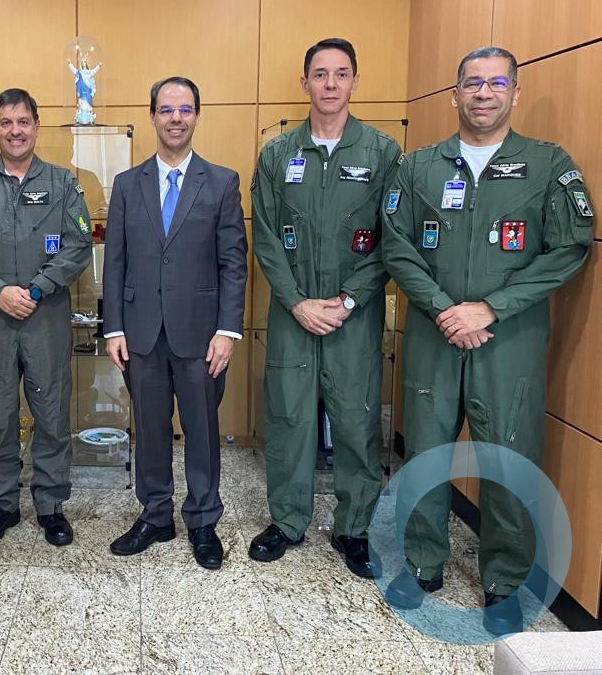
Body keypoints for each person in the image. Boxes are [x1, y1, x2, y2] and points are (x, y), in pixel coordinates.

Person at [381, 46, 593, 634]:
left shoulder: (547, 165)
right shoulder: (419, 167)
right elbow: (396, 244)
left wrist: (490, 307)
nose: (484, 93)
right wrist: (445, 308)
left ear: (515, 93)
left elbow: (570, 248)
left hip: (508, 339)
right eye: (473, 83)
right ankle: (422, 563)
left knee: (509, 454)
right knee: (425, 451)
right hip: (434, 334)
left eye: (497, 83)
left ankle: (506, 580)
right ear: (455, 94)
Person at [249, 39, 400, 578]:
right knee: (289, 418)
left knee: (357, 422)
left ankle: (354, 529)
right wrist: (295, 302)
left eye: (340, 73)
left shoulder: (382, 153)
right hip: (293, 315)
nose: (330, 83)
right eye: (320, 74)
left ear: (355, 81)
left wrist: (349, 299)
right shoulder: (276, 155)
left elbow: (393, 239)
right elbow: (266, 237)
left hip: (353, 317)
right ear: (305, 83)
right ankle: (287, 522)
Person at [103, 76, 247, 570]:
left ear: (197, 116)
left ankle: (203, 520)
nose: (176, 118)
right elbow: (115, 261)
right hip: (141, 332)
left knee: (202, 428)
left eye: (185, 109)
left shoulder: (222, 182)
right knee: (149, 427)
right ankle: (156, 514)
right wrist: (113, 327)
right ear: (152, 117)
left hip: (202, 334)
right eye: (166, 110)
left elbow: (233, 263)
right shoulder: (127, 185)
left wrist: (228, 331)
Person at [0, 88, 92, 547]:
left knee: (51, 412)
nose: (15, 131)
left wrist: (37, 288)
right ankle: (3, 504)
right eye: (6, 122)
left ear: (36, 126)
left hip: (45, 316)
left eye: (23, 121)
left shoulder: (63, 183)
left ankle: (50, 505)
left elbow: (79, 245)